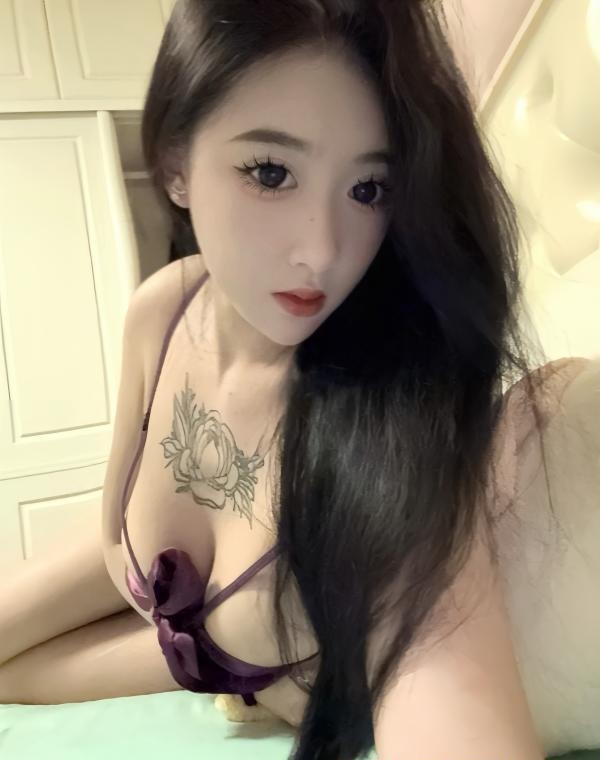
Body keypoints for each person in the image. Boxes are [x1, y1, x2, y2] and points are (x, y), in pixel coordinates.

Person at [1, 2, 599, 760]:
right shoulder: (164, 308)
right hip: (172, 630)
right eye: (271, 172)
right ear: (177, 164)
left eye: (369, 189)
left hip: (246, 669)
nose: (322, 251)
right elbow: (112, 528)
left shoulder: (393, 412)